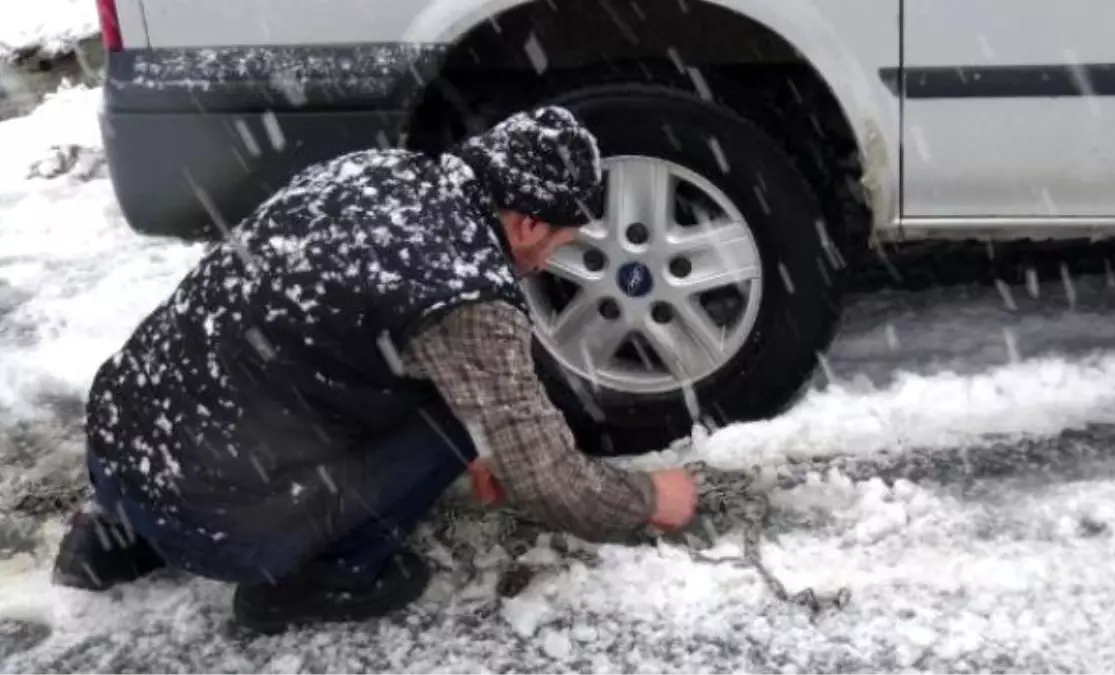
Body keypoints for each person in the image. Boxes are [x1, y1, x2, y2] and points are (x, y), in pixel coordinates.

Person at [51, 107, 698, 634]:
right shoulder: (465, 294)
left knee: (279, 378)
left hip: (119, 440)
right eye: (562, 241)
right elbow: (547, 479)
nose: (556, 258)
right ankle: (318, 578)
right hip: (223, 522)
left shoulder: (372, 169)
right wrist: (646, 500)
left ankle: (117, 536)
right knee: (455, 419)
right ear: (529, 221)